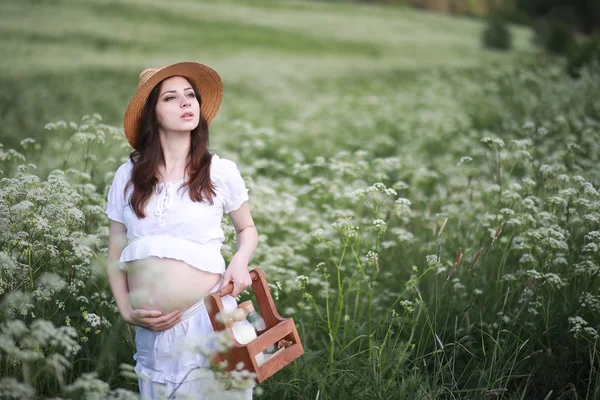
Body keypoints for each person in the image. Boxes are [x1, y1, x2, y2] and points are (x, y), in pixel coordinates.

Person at [104, 62, 258, 399]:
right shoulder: (127, 176)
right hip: (155, 331)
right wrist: (127, 312)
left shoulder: (219, 171)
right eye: (170, 98)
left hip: (210, 319)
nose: (186, 103)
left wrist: (240, 262)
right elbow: (114, 251)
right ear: (152, 114)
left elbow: (246, 228)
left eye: (190, 95)